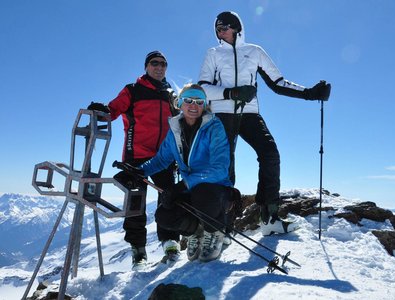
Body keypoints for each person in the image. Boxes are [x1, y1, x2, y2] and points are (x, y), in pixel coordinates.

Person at [198, 11, 331, 236]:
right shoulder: (213, 54)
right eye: (218, 30)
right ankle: (221, 226)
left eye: (225, 28)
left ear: (237, 28)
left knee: (270, 154)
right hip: (221, 114)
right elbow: (202, 88)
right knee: (225, 166)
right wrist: (231, 92)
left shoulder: (254, 51)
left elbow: (278, 82)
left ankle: (269, 218)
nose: (220, 33)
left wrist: (309, 93)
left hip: (249, 114)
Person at [87, 50, 180, 270]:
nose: (159, 67)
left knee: (169, 199)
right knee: (135, 205)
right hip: (136, 157)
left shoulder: (170, 95)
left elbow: (180, 121)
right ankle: (138, 251)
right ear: (146, 66)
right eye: (154, 63)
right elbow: (113, 110)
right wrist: (103, 111)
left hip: (164, 157)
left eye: (163, 64)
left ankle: (170, 242)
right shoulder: (133, 90)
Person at [139, 83, 233, 262]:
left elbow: (220, 168)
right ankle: (195, 233)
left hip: (216, 190)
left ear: (204, 105)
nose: (193, 105)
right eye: (188, 100)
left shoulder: (214, 126)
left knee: (202, 193)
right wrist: (138, 171)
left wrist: (184, 184)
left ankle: (214, 232)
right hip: (191, 189)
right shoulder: (175, 130)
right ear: (179, 103)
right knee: (163, 215)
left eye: (199, 101)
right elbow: (161, 160)